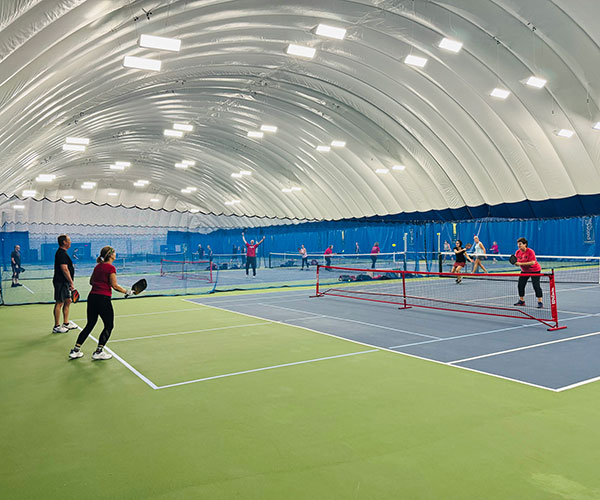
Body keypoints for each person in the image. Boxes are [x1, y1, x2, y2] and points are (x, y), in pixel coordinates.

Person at [68, 246, 132, 360]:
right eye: (115, 252)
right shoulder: (111, 268)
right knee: (109, 326)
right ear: (111, 255)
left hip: (92, 298)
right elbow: (115, 286)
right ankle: (98, 352)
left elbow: (91, 281)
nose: (115, 254)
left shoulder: (98, 266)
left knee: (90, 324)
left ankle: (75, 350)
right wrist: (127, 291)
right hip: (103, 299)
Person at [52, 235, 78, 333]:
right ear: (64, 242)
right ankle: (56, 326)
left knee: (68, 301)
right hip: (60, 282)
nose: (70, 242)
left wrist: (69, 282)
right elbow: (64, 269)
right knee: (59, 302)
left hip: (64, 282)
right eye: (69, 240)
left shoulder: (64, 253)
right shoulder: (61, 253)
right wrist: (71, 282)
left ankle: (66, 323)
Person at [513, 237, 543, 308]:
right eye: (518, 244)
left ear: (525, 244)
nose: (518, 246)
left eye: (520, 244)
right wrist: (516, 263)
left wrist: (520, 264)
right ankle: (521, 301)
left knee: (536, 286)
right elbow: (517, 262)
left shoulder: (530, 251)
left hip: (535, 270)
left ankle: (540, 302)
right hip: (524, 271)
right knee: (520, 285)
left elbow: (532, 262)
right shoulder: (517, 252)